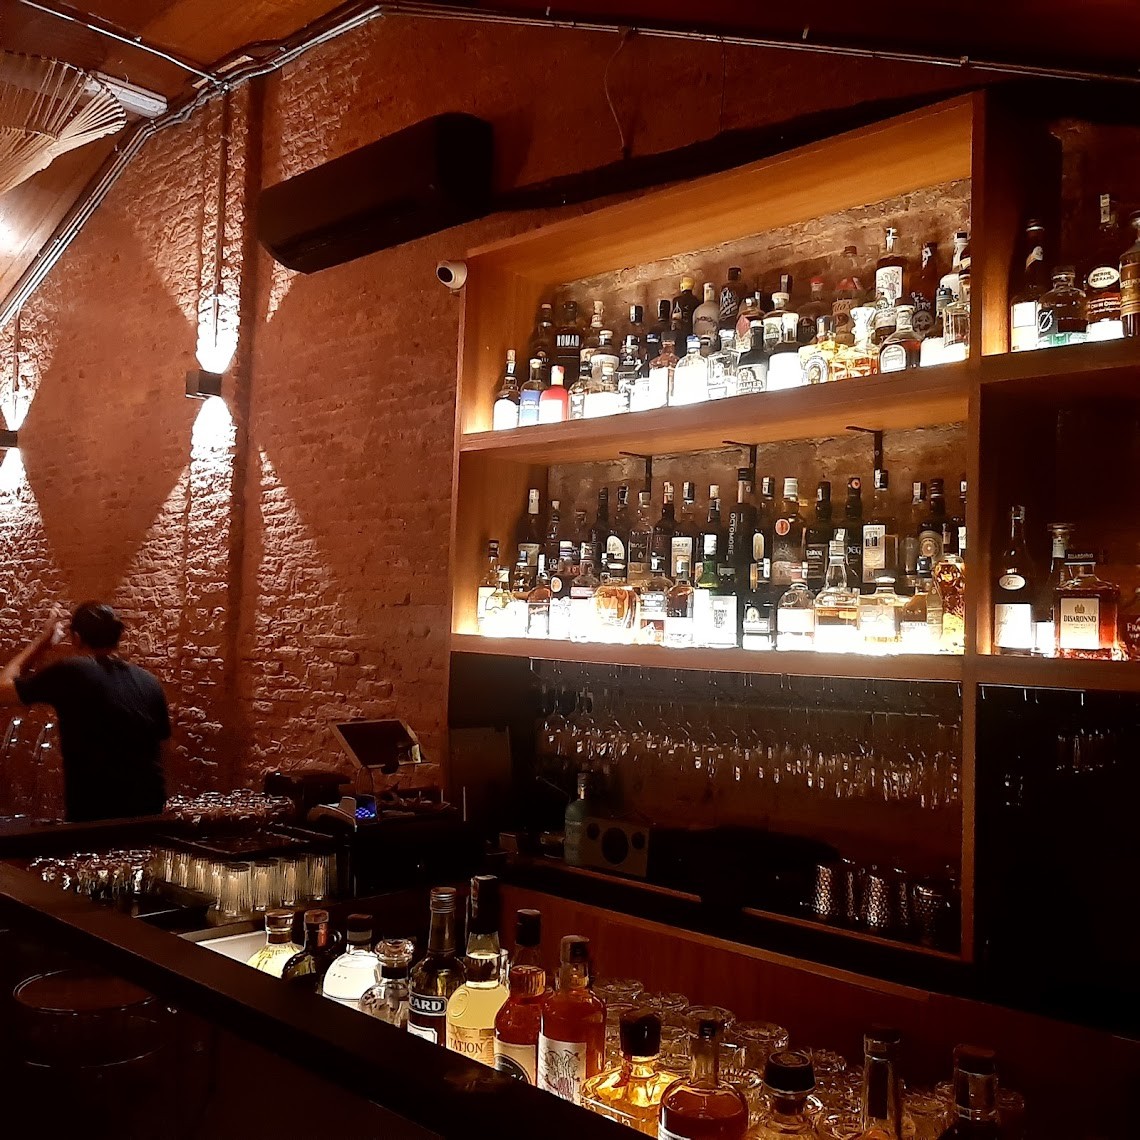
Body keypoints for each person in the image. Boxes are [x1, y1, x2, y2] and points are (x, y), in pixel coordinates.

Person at [0, 603, 170, 822]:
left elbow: (2, 690)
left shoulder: (73, 671)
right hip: (149, 818)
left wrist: (42, 641)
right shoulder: (150, 682)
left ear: (77, 638)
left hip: (95, 821)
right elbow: (163, 752)